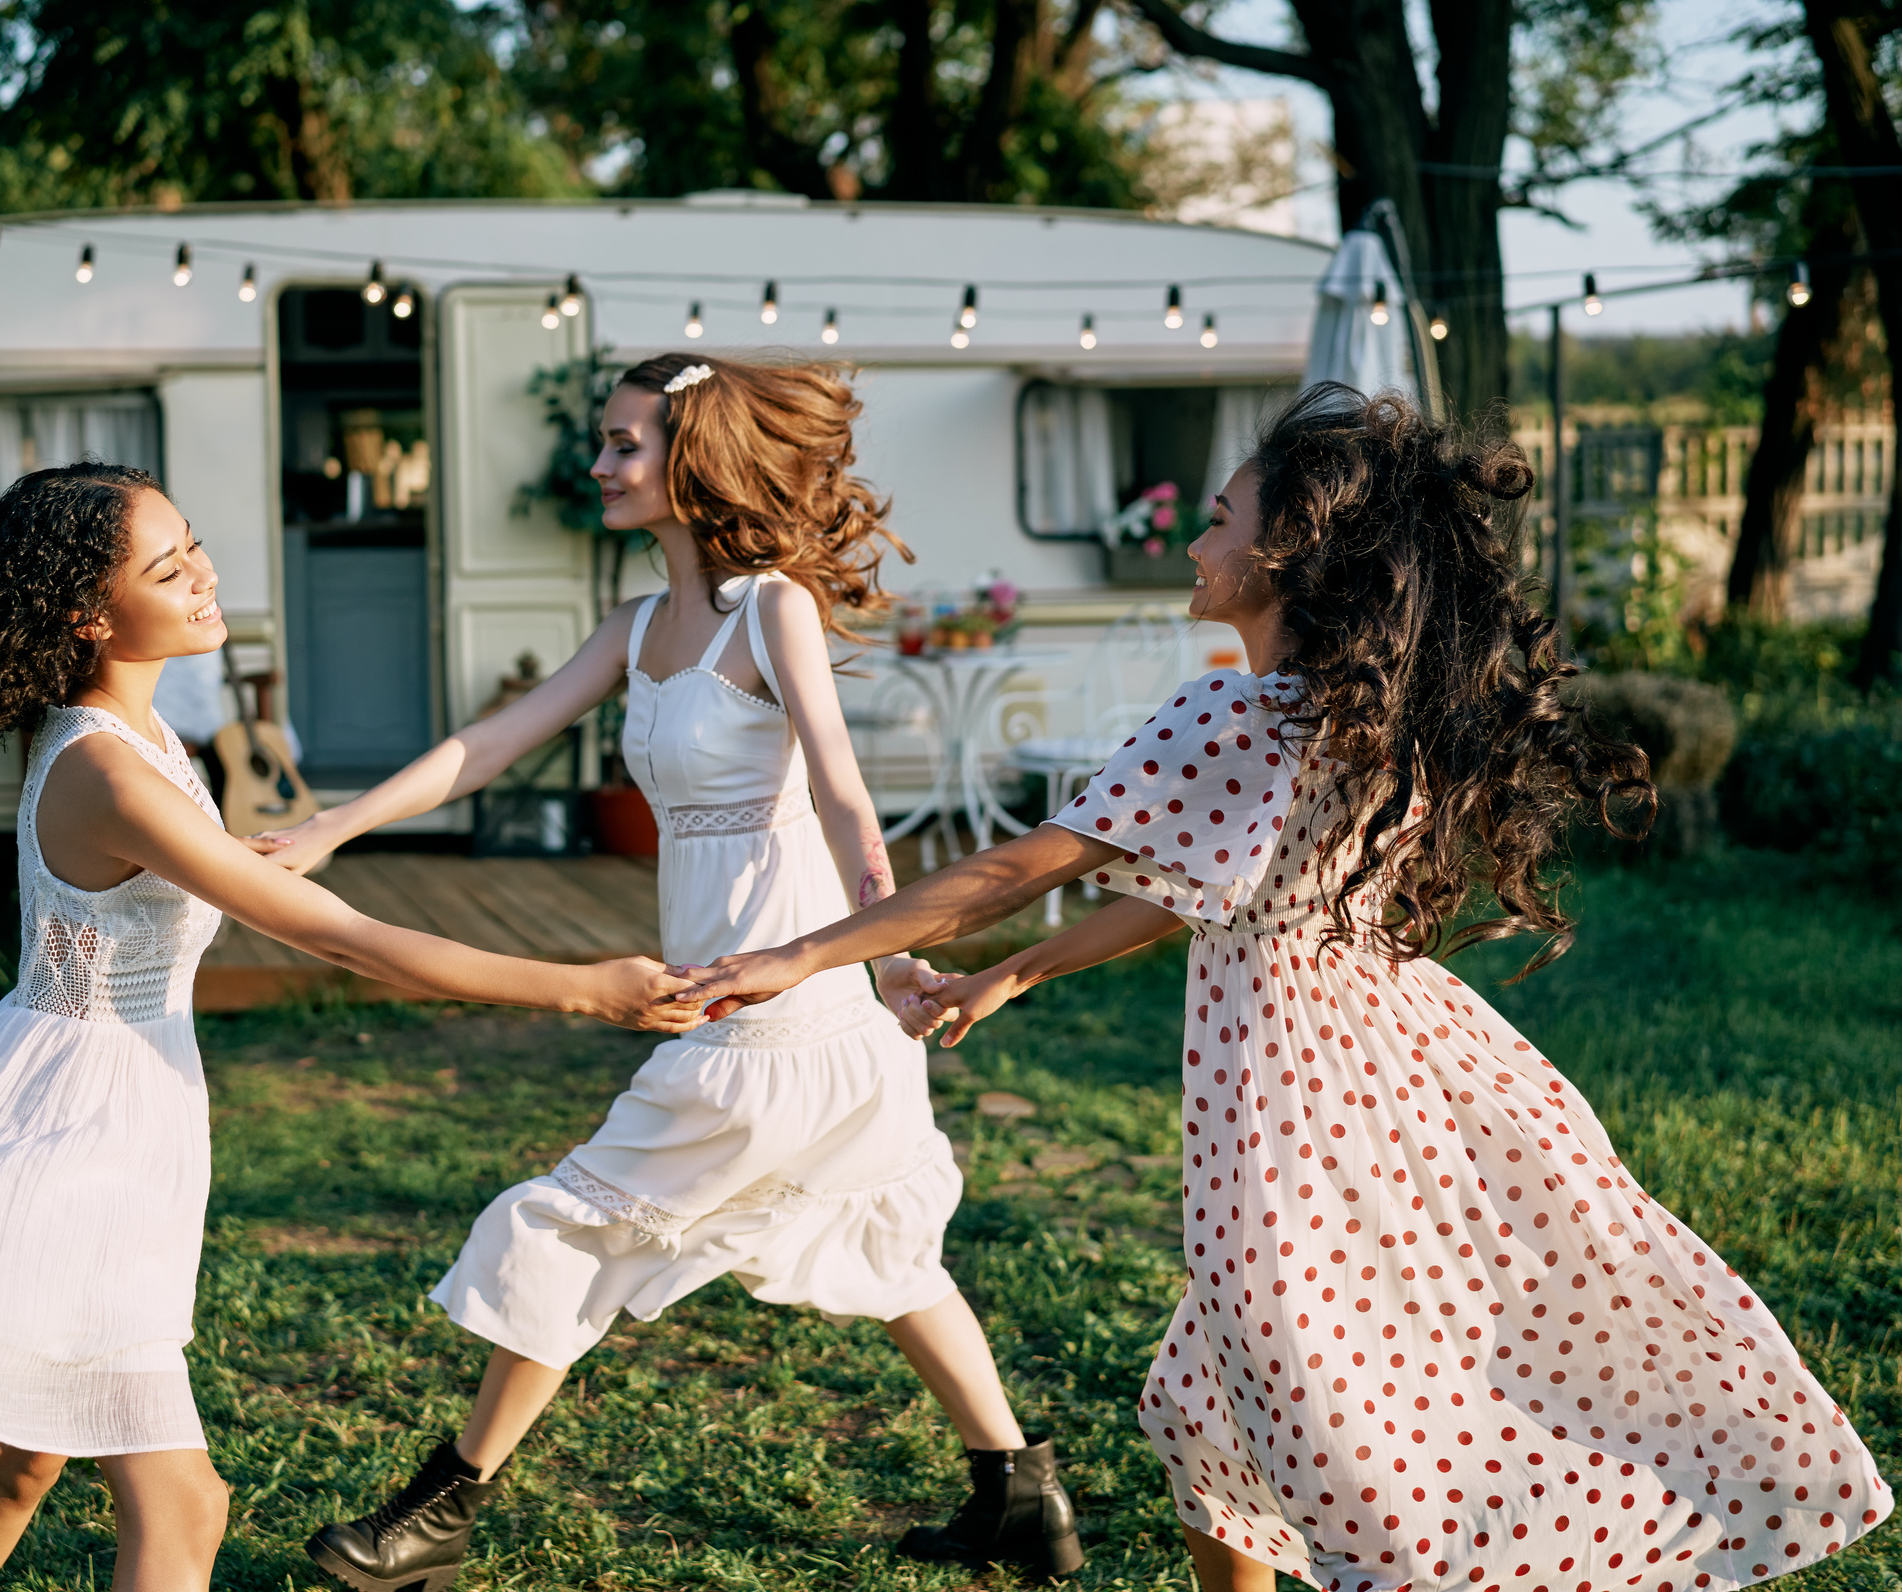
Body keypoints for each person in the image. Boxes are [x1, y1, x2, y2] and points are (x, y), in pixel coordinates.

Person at [682, 388, 1891, 1592]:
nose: (1195, 544)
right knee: (1214, 1400)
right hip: (1399, 1057)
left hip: (1298, 1097)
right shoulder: (1356, 711)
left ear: (1288, 549)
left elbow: (1010, 868)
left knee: (1322, 1416)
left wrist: (797, 953)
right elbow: (1195, 892)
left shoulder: (1231, 709)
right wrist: (1014, 972)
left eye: (1217, 521)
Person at [252, 354, 1085, 1590]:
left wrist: (894, 946)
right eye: (600, 441)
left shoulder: (772, 609)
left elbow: (848, 799)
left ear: (690, 457)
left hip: (782, 1009)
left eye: (622, 444)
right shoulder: (637, 628)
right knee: (886, 1249)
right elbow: (483, 745)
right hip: (759, 1002)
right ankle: (1019, 1493)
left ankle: (439, 1511)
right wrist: (323, 832)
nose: (598, 463)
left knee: (573, 1228)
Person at [0, 463, 704, 1592]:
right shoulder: (107, 765)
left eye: (192, 544)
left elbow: (169, 878)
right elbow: (346, 941)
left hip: (107, 1108)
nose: (203, 576)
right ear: (90, 615)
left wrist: (279, 848)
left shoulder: (139, 740)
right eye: (167, 566)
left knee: (17, 1454)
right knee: (178, 1503)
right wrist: (583, 986)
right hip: (74, 1136)